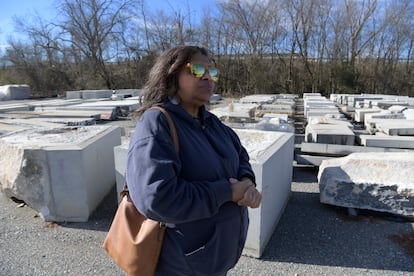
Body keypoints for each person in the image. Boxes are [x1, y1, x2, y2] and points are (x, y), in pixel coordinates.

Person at [125, 45, 262, 276]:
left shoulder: (213, 123)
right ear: (172, 74)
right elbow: (157, 198)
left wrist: (247, 182)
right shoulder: (157, 123)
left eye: (212, 71)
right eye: (197, 69)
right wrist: (228, 193)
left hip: (213, 261)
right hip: (180, 265)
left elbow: (240, 156)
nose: (208, 76)